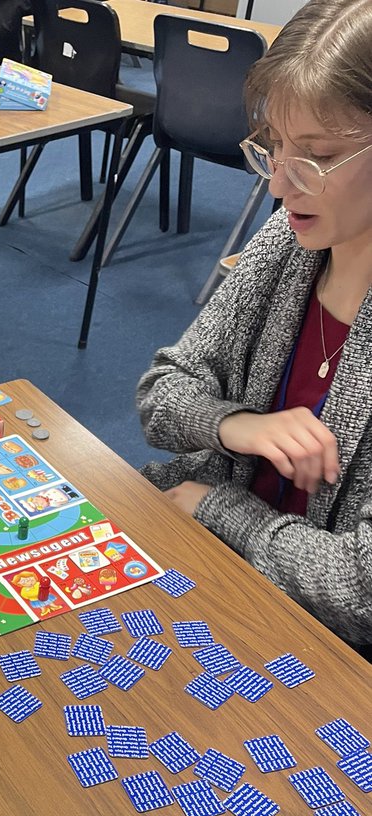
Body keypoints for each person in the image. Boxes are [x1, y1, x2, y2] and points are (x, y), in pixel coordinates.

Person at [136, 0, 372, 652]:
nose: (279, 187)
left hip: (318, 643)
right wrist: (240, 425)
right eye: (272, 147)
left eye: (316, 157)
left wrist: (221, 511)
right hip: (219, 571)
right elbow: (161, 395)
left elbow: (362, 593)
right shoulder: (288, 244)